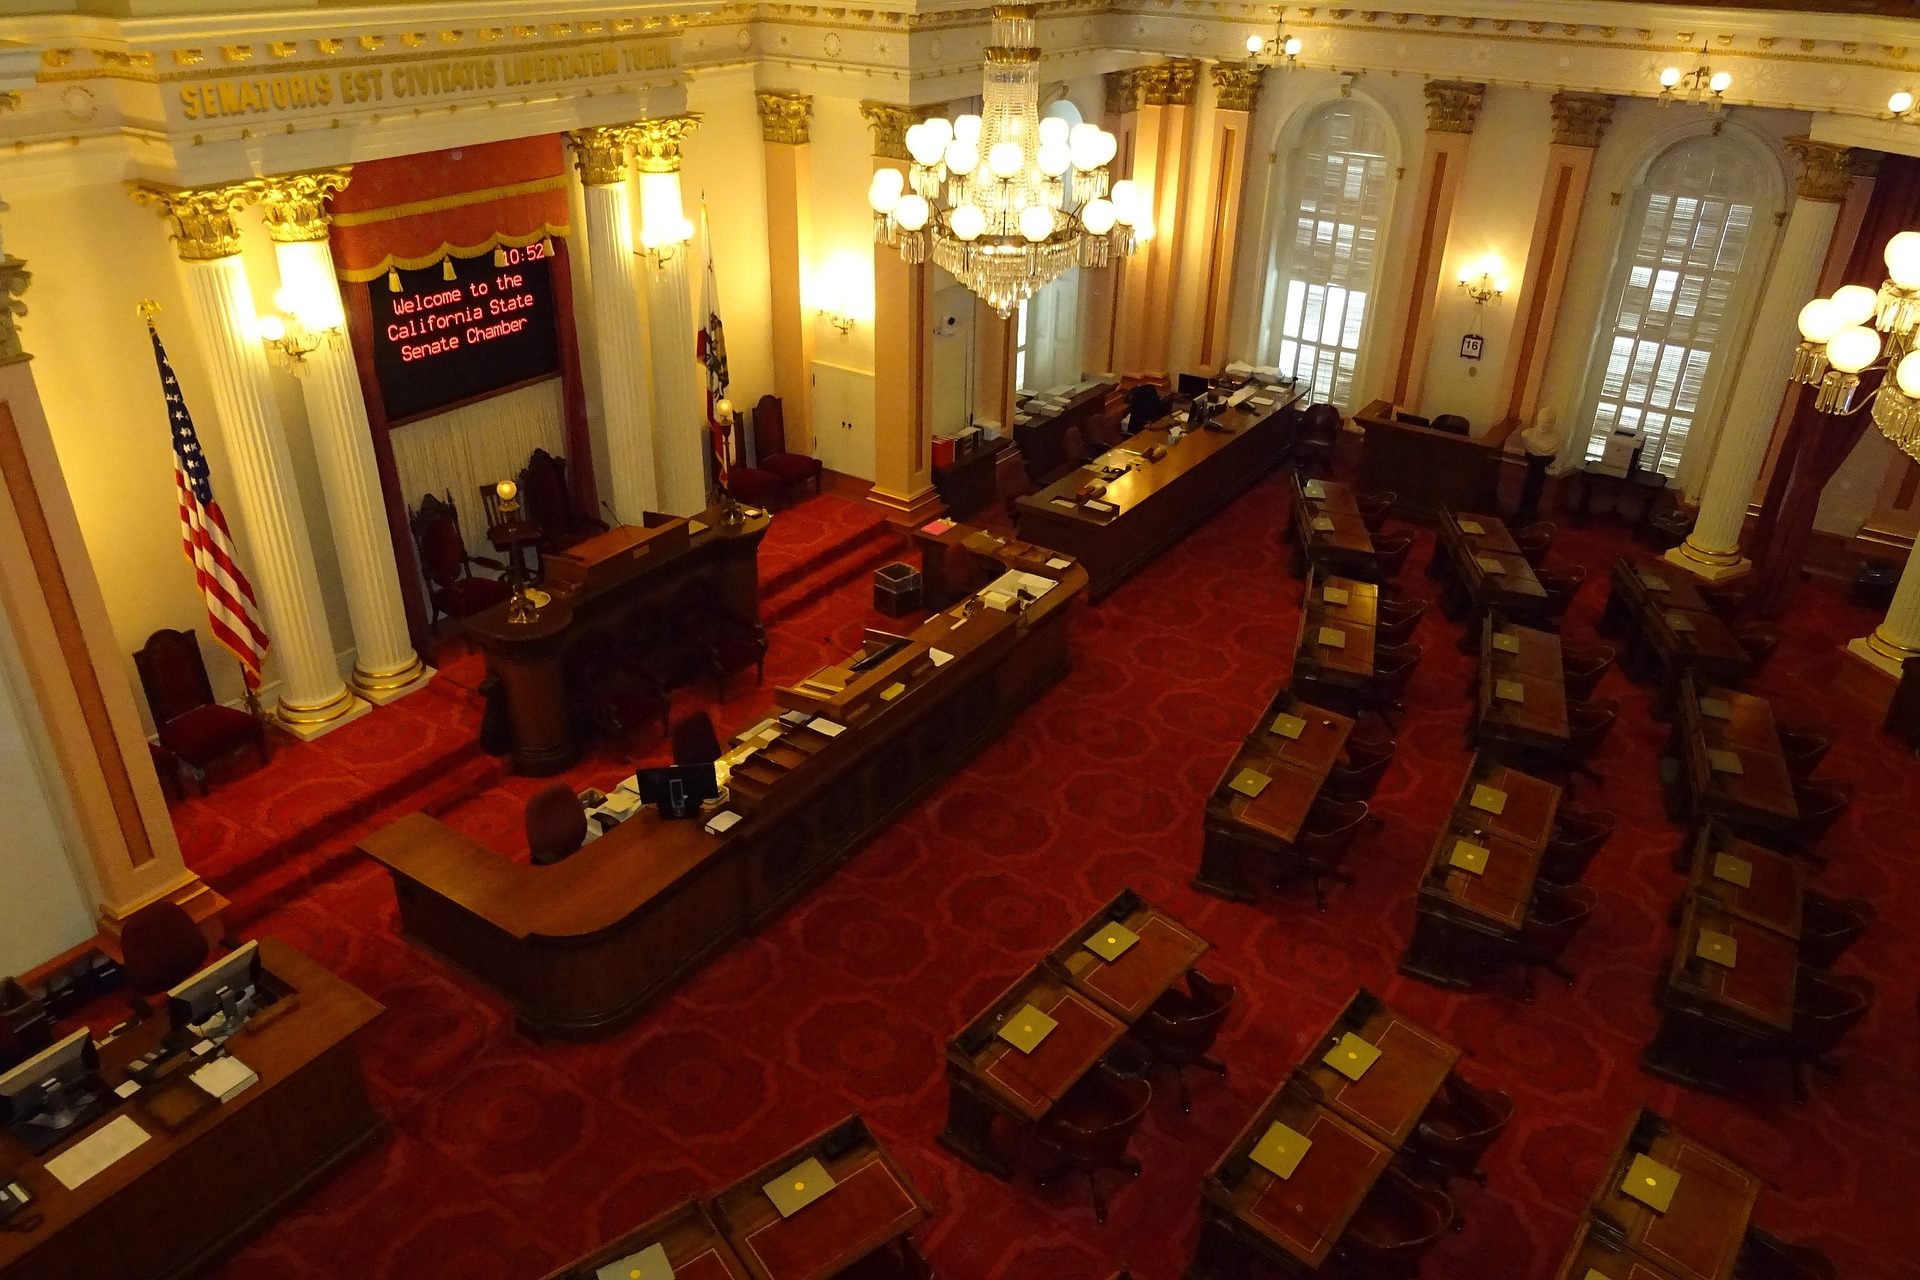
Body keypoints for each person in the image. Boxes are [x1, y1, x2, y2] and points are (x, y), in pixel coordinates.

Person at [1514, 408, 1564, 527]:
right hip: (1534, 468)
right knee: (1529, 488)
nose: (1545, 422)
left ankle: (1529, 513)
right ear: (1538, 418)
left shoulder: (1557, 440)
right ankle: (1524, 513)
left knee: (1535, 488)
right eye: (1543, 419)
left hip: (1539, 470)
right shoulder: (1527, 434)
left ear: (1553, 423)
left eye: (1548, 421)